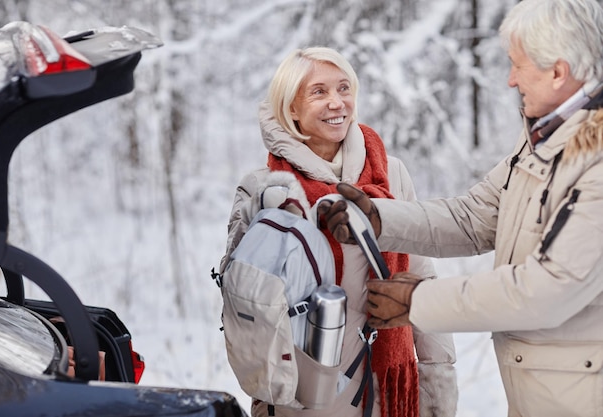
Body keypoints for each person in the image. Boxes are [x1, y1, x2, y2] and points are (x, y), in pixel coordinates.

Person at [316, 1, 603, 416]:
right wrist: (379, 219)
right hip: (546, 392)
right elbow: (471, 219)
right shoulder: (544, 143)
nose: (510, 80)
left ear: (558, 72)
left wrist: (418, 300)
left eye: (518, 66)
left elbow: (548, 289)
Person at [220, 47, 458, 417]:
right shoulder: (265, 187)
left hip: (386, 389)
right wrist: (267, 394)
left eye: (343, 88)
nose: (337, 103)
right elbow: (243, 303)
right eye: (319, 92)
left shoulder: (391, 174)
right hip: (307, 392)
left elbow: (420, 274)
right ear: (291, 108)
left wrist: (436, 376)